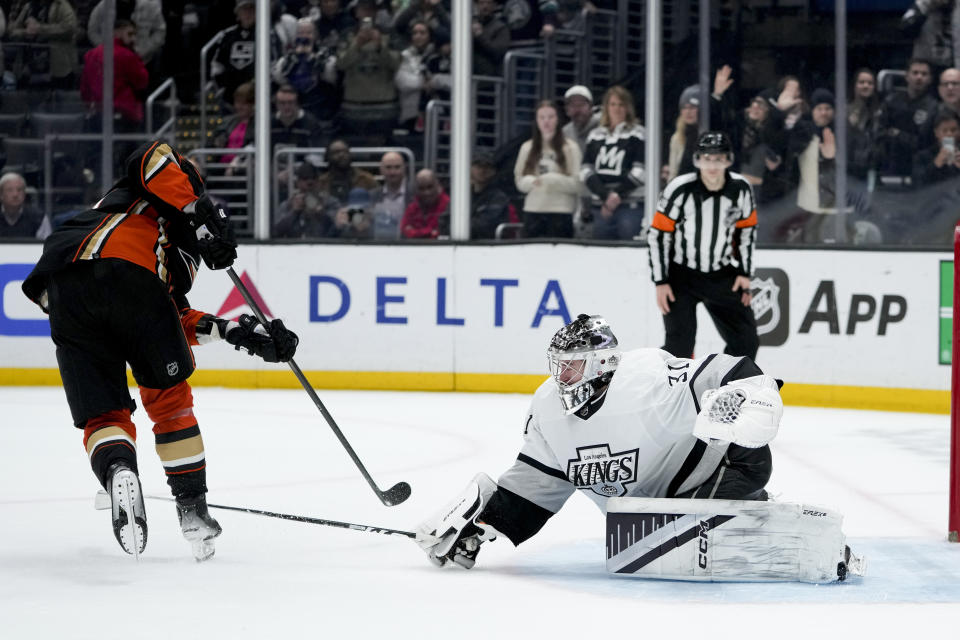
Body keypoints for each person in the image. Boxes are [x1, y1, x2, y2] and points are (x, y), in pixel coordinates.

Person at [413, 314, 864, 582]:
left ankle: (778, 529)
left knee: (688, 530)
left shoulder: (647, 374)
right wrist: (480, 528)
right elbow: (537, 483)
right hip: (649, 513)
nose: (560, 377)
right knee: (651, 540)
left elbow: (727, 369)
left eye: (571, 367)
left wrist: (753, 395)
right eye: (557, 367)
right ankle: (750, 521)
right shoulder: (547, 407)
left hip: (726, 466)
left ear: (602, 362)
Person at [19, 140, 299, 560]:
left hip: (63, 288)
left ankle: (118, 469)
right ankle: (193, 511)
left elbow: (172, 314)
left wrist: (238, 331)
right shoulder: (165, 191)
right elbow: (149, 155)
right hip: (126, 274)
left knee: (103, 413)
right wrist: (196, 207)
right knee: (170, 403)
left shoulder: (174, 250)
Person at [647, 131, 759, 361]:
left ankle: (725, 390)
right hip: (681, 276)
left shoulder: (741, 189)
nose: (712, 166)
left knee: (746, 341)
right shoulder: (679, 189)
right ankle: (674, 393)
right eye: (707, 159)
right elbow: (658, 235)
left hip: (721, 273)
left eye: (718, 159)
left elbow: (746, 231)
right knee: (679, 346)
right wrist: (661, 281)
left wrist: (744, 273)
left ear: (728, 160)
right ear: (697, 160)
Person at [580, 85, 646, 240]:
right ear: (606, 107)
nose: (617, 109)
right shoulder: (595, 135)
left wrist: (617, 195)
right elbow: (585, 170)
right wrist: (605, 196)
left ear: (628, 107)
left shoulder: (639, 133)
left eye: (621, 104)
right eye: (613, 104)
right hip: (601, 206)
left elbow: (640, 171)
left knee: (628, 252)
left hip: (630, 206)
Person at [514, 100, 582, 239]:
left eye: (551, 117)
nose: (546, 122)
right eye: (542, 117)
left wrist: (553, 179)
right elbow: (519, 180)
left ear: (558, 120)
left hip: (560, 211)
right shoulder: (527, 147)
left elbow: (578, 184)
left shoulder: (570, 148)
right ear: (536, 121)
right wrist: (530, 182)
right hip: (533, 210)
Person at [336, 3, 401, 146]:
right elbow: (340, 64)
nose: (368, 13)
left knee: (384, 151)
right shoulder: (346, 34)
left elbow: (396, 64)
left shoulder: (389, 34)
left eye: (371, 9)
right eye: (364, 8)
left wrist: (380, 47)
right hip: (353, 105)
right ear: (357, 12)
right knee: (355, 150)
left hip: (384, 106)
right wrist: (356, 45)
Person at [80, 19, 149, 130]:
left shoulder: (91, 55)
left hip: (97, 114)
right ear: (116, 32)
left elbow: (85, 89)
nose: (133, 39)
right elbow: (142, 81)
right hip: (124, 115)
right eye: (130, 34)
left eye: (135, 35)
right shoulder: (127, 56)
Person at [877, 58, 937, 179]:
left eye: (924, 74)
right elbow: (880, 132)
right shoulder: (891, 101)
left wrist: (897, 134)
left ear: (930, 79)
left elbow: (924, 142)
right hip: (890, 165)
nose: (919, 77)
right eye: (915, 73)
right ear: (907, 76)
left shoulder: (934, 107)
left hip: (920, 169)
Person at [8, 0, 78, 89]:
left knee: (59, 97)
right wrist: (26, 33)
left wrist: (40, 29)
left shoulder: (60, 4)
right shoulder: (29, 6)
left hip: (58, 64)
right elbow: (12, 32)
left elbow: (70, 28)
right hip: (28, 65)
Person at [273, 160, 342, 238]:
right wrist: (294, 212)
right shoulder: (288, 204)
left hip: (325, 245)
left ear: (319, 181)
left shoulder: (331, 202)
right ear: (298, 182)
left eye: (313, 178)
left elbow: (339, 228)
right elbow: (276, 231)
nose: (310, 182)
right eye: (305, 178)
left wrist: (321, 213)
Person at [316, 139, 379, 203]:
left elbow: (377, 203)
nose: (341, 155)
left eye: (345, 151)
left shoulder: (366, 179)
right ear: (328, 156)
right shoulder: (321, 182)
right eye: (336, 152)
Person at [369, 151, 413, 240]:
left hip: (408, 247)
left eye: (397, 167)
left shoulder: (415, 195)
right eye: (388, 167)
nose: (393, 172)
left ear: (404, 169)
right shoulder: (371, 196)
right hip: (378, 247)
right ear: (381, 170)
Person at [912, 109, 960, 187]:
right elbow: (917, 184)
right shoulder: (922, 157)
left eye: (953, 130)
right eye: (944, 131)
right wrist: (935, 164)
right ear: (936, 133)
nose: (949, 134)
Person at [471, 151, 512, 239]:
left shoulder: (499, 197)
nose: (482, 170)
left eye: (487, 166)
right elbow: (444, 220)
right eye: (478, 166)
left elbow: (484, 226)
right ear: (470, 169)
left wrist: (460, 226)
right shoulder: (462, 196)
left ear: (493, 171)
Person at [664, 84, 701, 183]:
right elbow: (673, 173)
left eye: (693, 108)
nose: (688, 112)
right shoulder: (677, 137)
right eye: (684, 108)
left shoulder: (708, 136)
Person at [401, 168, 449, 239]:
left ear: (437, 185)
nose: (426, 192)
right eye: (421, 188)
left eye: (430, 187)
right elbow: (405, 231)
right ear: (416, 189)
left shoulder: (448, 205)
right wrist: (431, 232)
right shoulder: (412, 207)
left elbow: (443, 233)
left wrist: (416, 233)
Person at [0, 172, 49, 239]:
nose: (15, 194)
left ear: (24, 194)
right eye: (10, 190)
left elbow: (47, 246)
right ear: (1, 195)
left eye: (19, 190)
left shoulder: (39, 217)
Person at [472, 0, 509, 76]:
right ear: (476, 5)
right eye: (481, 3)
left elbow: (497, 53)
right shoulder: (470, 23)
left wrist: (480, 36)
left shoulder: (501, 27)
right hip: (468, 74)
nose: (485, 6)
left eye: (489, 3)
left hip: (490, 78)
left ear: (494, 6)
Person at [561, 84, 600, 154]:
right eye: (573, 105)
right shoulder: (564, 133)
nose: (578, 109)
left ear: (591, 107)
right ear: (567, 110)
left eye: (582, 104)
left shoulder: (602, 126)